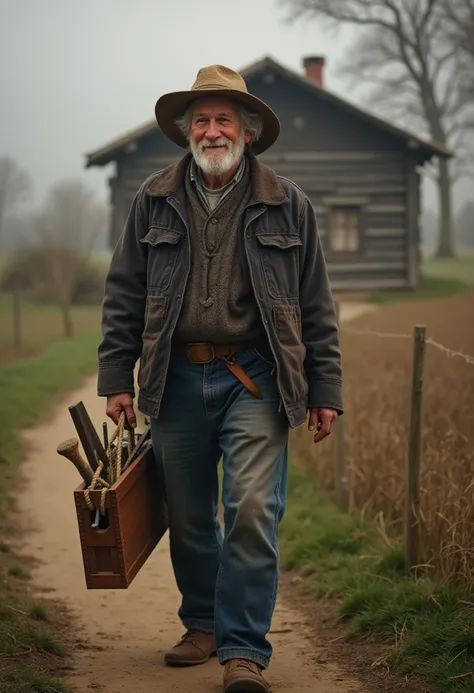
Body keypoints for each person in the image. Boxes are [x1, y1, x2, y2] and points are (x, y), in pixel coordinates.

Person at [98, 64, 343, 693]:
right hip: (174, 377)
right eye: (201, 120)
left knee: (253, 509)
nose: (212, 131)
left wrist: (325, 390)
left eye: (223, 120)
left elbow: (316, 304)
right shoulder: (152, 199)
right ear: (186, 130)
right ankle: (202, 623)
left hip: (256, 379)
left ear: (248, 130)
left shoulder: (289, 202)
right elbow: (124, 293)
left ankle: (243, 650)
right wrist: (116, 377)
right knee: (189, 513)